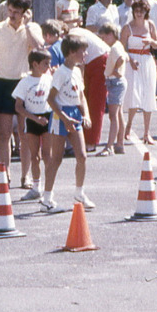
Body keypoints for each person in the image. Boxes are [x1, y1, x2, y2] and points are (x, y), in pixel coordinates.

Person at [0, 0, 44, 185]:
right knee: (4, 132)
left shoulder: (32, 28)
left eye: (16, 12)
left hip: (25, 83)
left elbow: (39, 50)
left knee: (25, 134)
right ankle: (5, 172)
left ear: (25, 12)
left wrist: (26, 26)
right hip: (2, 83)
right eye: (9, 10)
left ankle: (25, 176)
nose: (11, 15)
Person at [42, 34, 94, 213]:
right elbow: (50, 99)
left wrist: (85, 115)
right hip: (60, 116)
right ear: (71, 52)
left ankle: (79, 193)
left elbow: (81, 96)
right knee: (56, 158)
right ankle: (46, 198)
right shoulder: (61, 73)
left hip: (74, 114)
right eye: (82, 51)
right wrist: (64, 118)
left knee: (82, 156)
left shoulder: (78, 71)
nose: (85, 54)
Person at [12, 49, 54, 202]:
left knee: (47, 155)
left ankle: (49, 189)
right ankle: (36, 187)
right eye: (45, 64)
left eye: (49, 64)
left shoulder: (49, 79)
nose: (48, 67)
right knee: (34, 155)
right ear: (35, 64)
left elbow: (55, 98)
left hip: (48, 119)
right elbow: (18, 106)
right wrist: (35, 119)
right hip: (32, 120)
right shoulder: (25, 82)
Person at [122, 0, 157, 144]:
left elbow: (156, 45)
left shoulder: (150, 25)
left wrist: (150, 42)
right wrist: (130, 60)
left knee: (148, 95)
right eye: (136, 11)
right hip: (132, 62)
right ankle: (128, 126)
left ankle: (146, 132)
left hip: (147, 61)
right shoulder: (127, 27)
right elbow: (122, 47)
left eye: (142, 11)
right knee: (133, 95)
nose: (139, 14)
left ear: (146, 12)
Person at [68, 27, 110, 152]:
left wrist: (79, 80)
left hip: (100, 60)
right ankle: (83, 139)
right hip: (92, 62)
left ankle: (91, 142)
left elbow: (79, 58)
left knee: (95, 104)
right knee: (85, 100)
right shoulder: (75, 32)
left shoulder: (73, 35)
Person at [97, 23, 128, 156]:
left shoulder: (115, 48)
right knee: (118, 114)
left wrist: (115, 70)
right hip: (116, 82)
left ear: (110, 35)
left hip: (115, 82)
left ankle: (109, 146)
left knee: (113, 115)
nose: (103, 40)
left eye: (104, 37)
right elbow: (125, 56)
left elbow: (122, 59)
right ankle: (119, 143)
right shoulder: (118, 45)